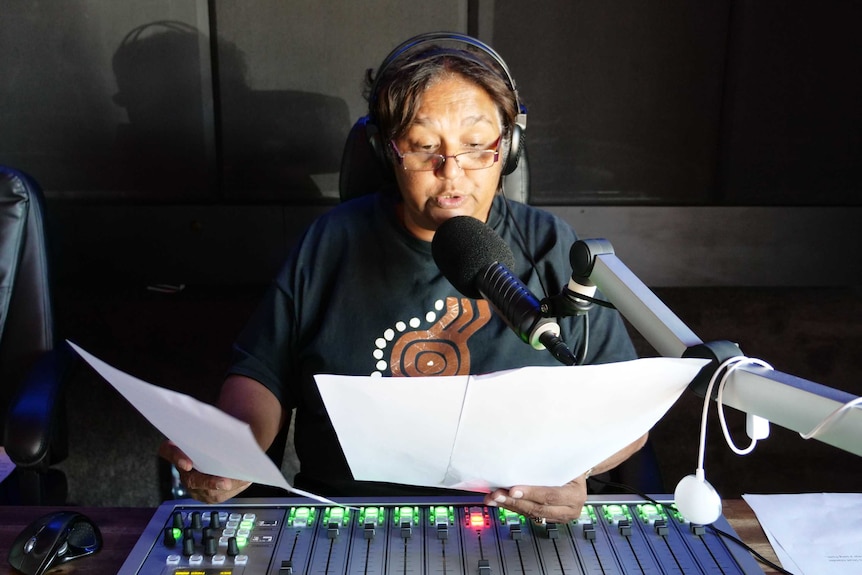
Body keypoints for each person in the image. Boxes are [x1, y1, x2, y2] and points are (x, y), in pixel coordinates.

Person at [159, 32, 648, 523]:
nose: (452, 173)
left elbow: (629, 413)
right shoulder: (330, 242)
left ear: (510, 147)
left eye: (477, 146)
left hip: (511, 523)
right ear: (386, 152)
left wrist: (571, 471)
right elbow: (259, 376)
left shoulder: (550, 245)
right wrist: (230, 451)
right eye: (422, 147)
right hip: (347, 521)